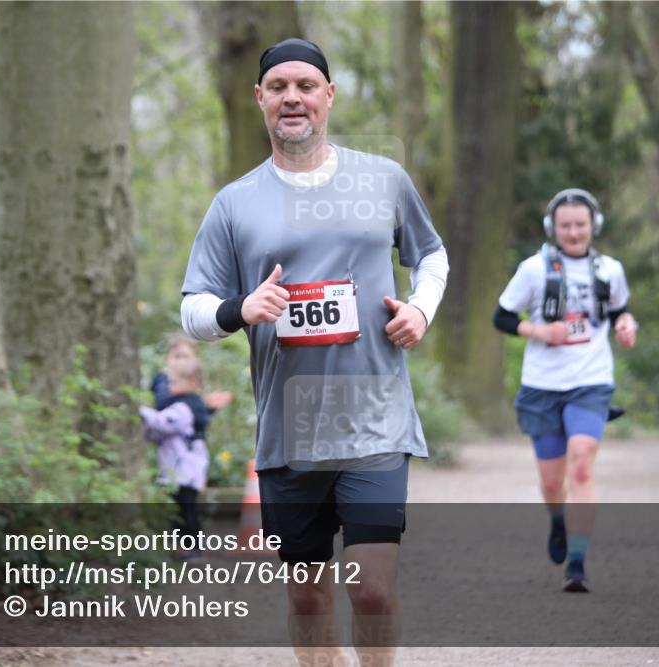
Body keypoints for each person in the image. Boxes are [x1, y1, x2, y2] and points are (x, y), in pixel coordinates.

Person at [179, 38, 448, 666]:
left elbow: (430, 254)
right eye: (278, 87)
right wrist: (238, 310)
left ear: (329, 95)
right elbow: (192, 308)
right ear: (260, 100)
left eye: (305, 85)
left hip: (375, 420)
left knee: (374, 590)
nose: (292, 97)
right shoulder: (235, 203)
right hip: (289, 432)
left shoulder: (383, 179)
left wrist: (420, 309)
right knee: (308, 598)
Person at [493, 188, 638, 592]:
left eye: (581, 224)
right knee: (553, 482)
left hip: (591, 381)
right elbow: (502, 317)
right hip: (542, 386)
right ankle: (558, 519)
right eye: (566, 225)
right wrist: (538, 330)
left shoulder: (610, 270)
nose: (574, 232)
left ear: (594, 226)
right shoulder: (533, 270)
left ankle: (577, 563)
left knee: (581, 464)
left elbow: (620, 310)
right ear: (552, 228)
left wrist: (626, 325)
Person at [140, 357, 212, 560]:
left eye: (173, 382)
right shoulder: (181, 404)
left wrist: (141, 412)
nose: (169, 387)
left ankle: (195, 548)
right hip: (178, 469)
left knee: (186, 510)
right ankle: (183, 546)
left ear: (192, 382)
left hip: (186, 470)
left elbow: (164, 423)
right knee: (178, 509)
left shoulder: (186, 406)